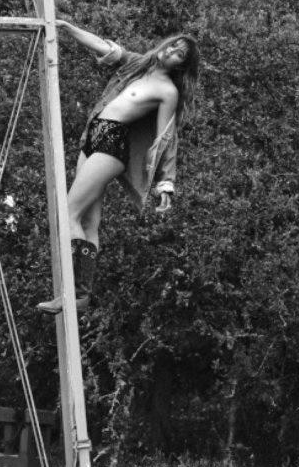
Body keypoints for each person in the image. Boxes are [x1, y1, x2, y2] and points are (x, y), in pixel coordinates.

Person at [37, 20, 200, 315]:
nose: (171, 51)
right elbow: (104, 47)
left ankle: (71, 293)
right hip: (92, 136)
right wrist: (65, 26)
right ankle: (80, 296)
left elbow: (167, 137)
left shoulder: (168, 91)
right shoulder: (137, 65)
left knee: (68, 214)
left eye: (179, 54)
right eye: (173, 45)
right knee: (89, 222)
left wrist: (167, 182)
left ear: (181, 66)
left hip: (113, 143)